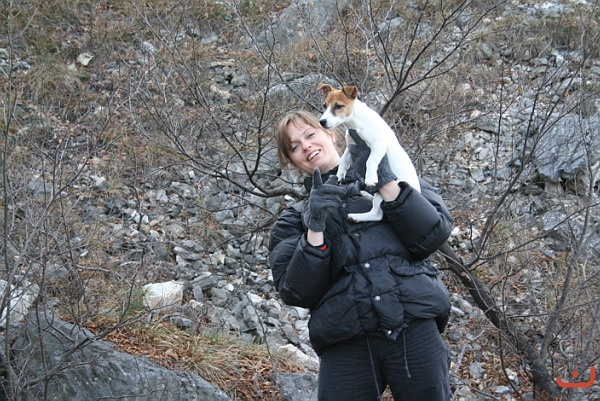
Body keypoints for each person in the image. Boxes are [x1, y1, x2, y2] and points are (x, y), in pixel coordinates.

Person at [268, 110, 453, 401]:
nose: (305, 146)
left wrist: (383, 180)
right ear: (292, 161)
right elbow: (296, 291)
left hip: (412, 323)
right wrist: (314, 227)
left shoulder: (397, 174)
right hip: (345, 339)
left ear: (331, 133)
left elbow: (433, 235)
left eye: (310, 135)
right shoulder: (293, 220)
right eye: (294, 146)